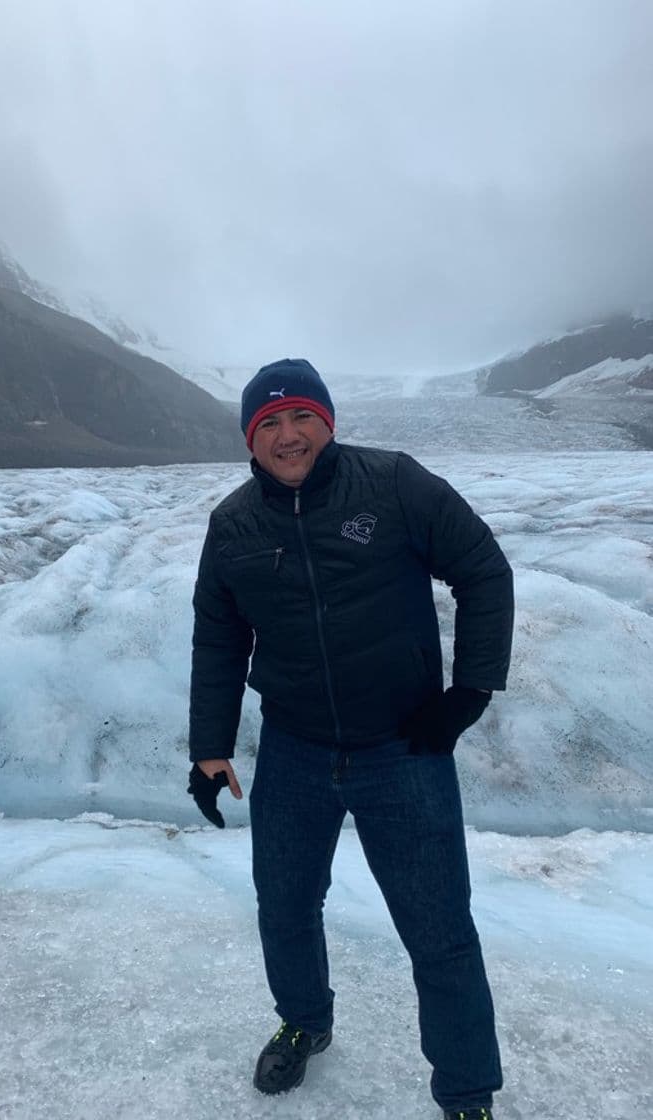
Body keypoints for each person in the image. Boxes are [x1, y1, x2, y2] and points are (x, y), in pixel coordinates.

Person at [187, 358, 514, 1120]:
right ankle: (304, 1021)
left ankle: (466, 1096)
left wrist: (467, 693)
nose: (286, 434)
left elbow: (482, 570)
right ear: (249, 439)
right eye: (267, 424)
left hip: (403, 749)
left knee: (439, 934)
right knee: (285, 906)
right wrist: (210, 746)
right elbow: (218, 636)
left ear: (326, 422)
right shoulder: (233, 524)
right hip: (295, 751)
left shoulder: (393, 484)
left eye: (299, 416)